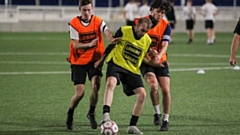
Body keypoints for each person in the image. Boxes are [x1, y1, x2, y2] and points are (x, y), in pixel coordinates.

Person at [65, 0, 120, 130]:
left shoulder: (98, 21)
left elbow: (106, 31)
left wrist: (111, 38)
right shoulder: (74, 24)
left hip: (94, 61)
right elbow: (76, 44)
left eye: (89, 10)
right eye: (84, 10)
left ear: (92, 9)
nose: (87, 13)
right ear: (80, 10)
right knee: (80, 93)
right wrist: (89, 44)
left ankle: (91, 113)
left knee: (96, 86)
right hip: (78, 61)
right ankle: (70, 113)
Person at [95, 18, 154, 134]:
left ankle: (132, 126)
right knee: (111, 82)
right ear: (136, 25)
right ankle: (106, 114)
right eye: (142, 30)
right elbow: (112, 45)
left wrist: (155, 61)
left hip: (132, 69)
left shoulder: (147, 40)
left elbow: (144, 58)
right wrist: (102, 60)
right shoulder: (123, 30)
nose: (143, 33)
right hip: (117, 63)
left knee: (142, 94)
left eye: (146, 31)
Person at [134, 0, 172, 131]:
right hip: (145, 60)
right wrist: (150, 55)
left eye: (163, 13)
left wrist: (158, 57)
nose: (160, 15)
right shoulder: (141, 22)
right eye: (158, 11)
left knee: (166, 90)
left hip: (160, 61)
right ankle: (157, 113)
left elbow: (165, 44)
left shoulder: (166, 25)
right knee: (153, 85)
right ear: (152, 10)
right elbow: (138, 42)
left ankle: (166, 120)